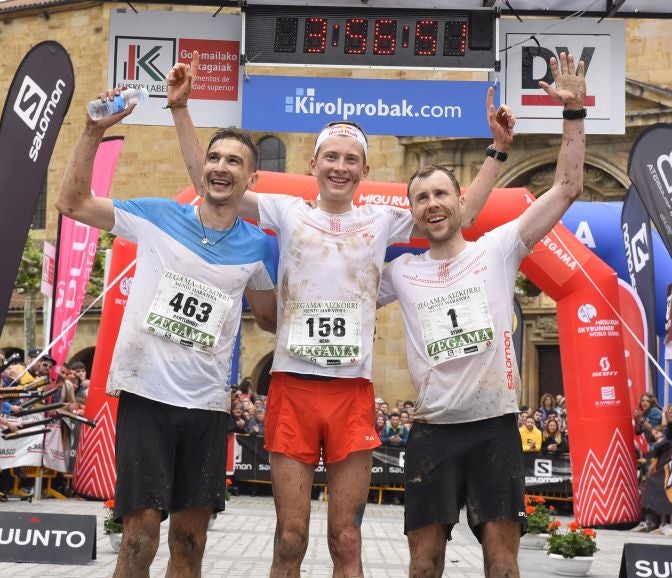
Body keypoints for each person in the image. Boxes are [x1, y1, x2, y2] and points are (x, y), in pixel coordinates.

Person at [168, 49, 513, 578]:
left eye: (351, 159)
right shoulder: (287, 210)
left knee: (346, 538)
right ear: (313, 164)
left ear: (364, 170)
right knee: (290, 537)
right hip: (292, 387)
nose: (340, 166)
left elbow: (460, 211)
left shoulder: (381, 221)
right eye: (331, 156)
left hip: (351, 390)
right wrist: (181, 111)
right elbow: (208, 184)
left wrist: (496, 151)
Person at [54, 83, 276, 578]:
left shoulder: (260, 248)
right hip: (146, 396)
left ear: (251, 178)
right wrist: (92, 131)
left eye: (234, 161)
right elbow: (71, 203)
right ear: (203, 168)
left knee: (190, 541)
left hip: (206, 407)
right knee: (139, 539)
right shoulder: (157, 216)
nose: (221, 166)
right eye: (214, 157)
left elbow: (268, 319)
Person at [378, 52, 586, 578]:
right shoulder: (402, 273)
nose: (432, 203)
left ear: (459, 200)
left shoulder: (497, 249)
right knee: (424, 565)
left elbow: (566, 188)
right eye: (421, 198)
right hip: (430, 434)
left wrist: (575, 114)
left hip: (494, 429)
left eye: (441, 193)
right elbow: (337, 290)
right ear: (415, 213)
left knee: (502, 564)